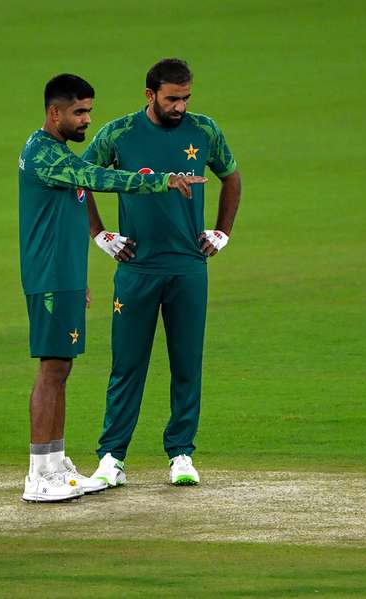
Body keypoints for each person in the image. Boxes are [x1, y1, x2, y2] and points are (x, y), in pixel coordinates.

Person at [18, 73, 207, 502]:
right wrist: (161, 181)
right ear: (54, 112)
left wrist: (79, 279)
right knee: (52, 370)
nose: (87, 120)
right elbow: (101, 178)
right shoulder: (45, 155)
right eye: (79, 112)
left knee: (61, 368)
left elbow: (68, 217)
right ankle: (40, 473)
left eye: (89, 110)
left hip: (63, 277)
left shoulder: (57, 153)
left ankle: (55, 461)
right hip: (49, 278)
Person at [82, 58, 242, 487]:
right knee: (126, 364)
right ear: (150, 95)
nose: (181, 107)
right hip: (136, 266)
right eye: (173, 99)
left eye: (186, 98)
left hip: (189, 266)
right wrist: (100, 233)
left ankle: (182, 454)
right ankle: (112, 458)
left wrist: (222, 232)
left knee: (187, 362)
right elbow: (81, 179)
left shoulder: (204, 130)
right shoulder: (118, 134)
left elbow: (232, 177)